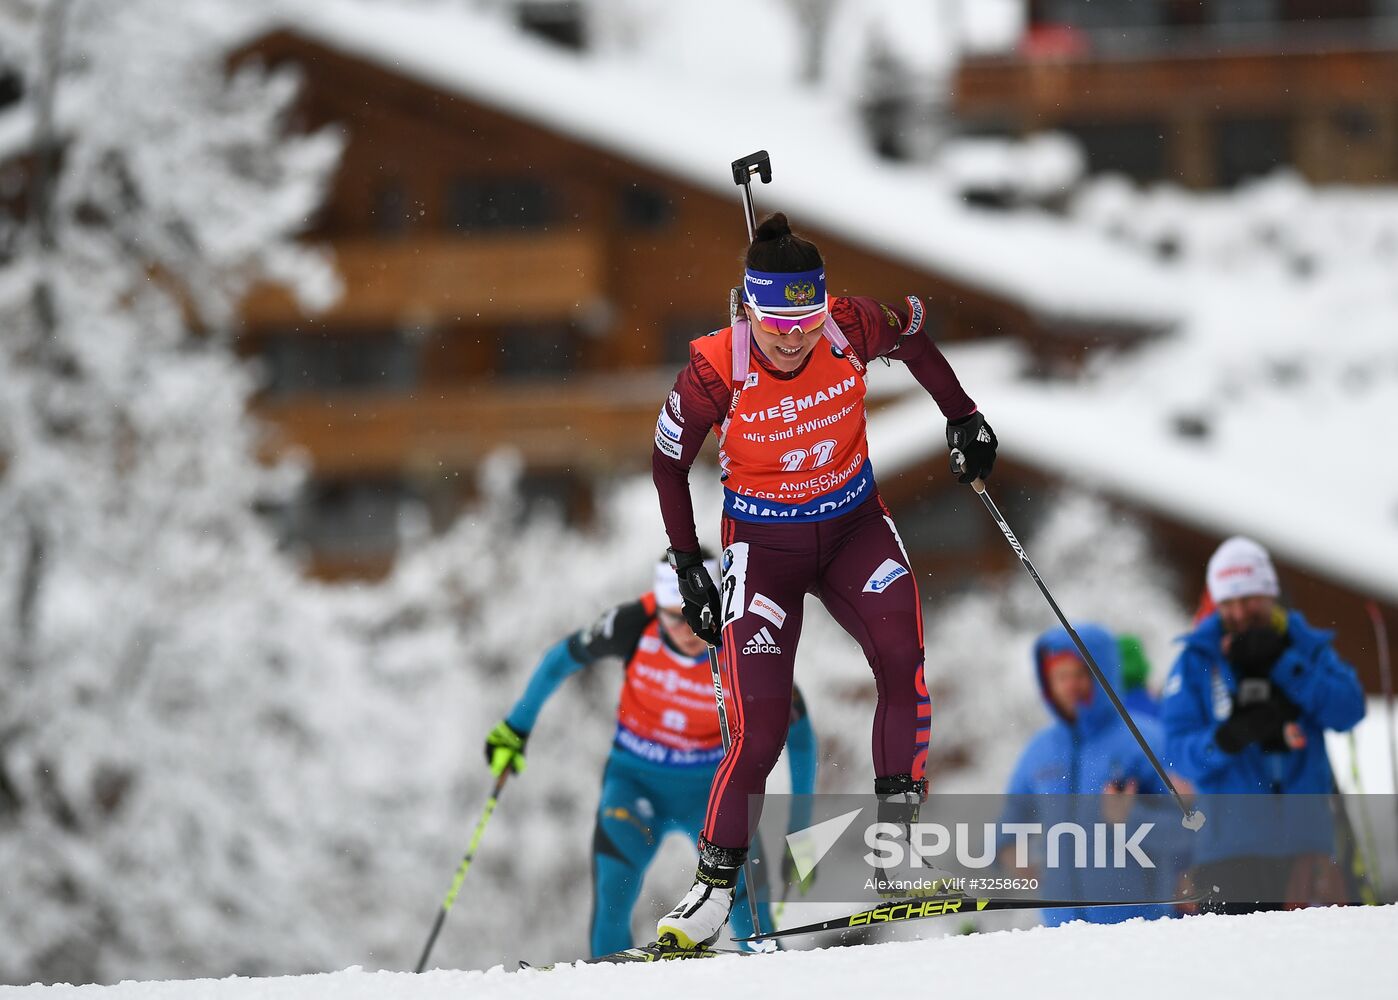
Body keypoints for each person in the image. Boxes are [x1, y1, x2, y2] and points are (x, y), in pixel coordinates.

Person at [650, 212, 996, 948]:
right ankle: (712, 891)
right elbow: (668, 462)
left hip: (851, 529)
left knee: (902, 659)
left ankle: (896, 847)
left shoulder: (849, 325)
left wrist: (963, 417)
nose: (793, 335)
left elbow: (911, 334)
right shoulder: (717, 369)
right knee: (762, 727)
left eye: (804, 318)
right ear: (749, 309)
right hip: (764, 552)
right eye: (777, 320)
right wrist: (688, 564)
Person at [483, 553, 817, 956]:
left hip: (712, 793)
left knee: (749, 910)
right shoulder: (631, 624)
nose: (686, 628)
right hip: (635, 783)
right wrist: (516, 727)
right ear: (656, 608)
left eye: (695, 615)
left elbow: (799, 733)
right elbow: (560, 660)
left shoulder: (744, 641)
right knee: (613, 889)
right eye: (673, 616)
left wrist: (801, 823)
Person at [1161, 536, 1366, 912]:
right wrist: (1226, 740)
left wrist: (1284, 665)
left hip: (1308, 851)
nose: (1239, 612)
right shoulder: (1196, 660)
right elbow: (1173, 753)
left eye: (1249, 599)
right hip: (1227, 854)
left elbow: (1349, 709)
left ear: (1270, 594)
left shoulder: (1306, 646)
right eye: (1228, 602)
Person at [1000, 624, 1190, 926]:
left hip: (1141, 926)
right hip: (1061, 930)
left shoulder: (1145, 739)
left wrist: (1132, 817)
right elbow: (1012, 814)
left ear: (1103, 674)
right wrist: (1010, 850)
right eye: (1060, 677)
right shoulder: (1040, 749)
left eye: (1080, 674)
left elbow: (1188, 830)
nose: (1070, 686)